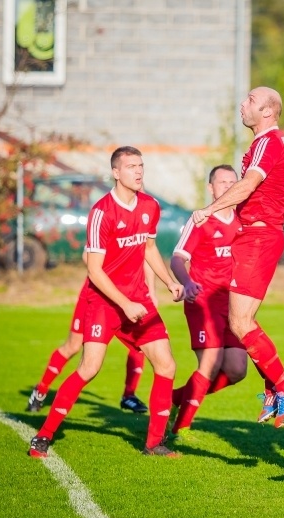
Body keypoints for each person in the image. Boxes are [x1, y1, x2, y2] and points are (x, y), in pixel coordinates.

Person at [28, 146, 184, 458]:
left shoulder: (150, 206)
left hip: (138, 299)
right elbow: (95, 271)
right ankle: (43, 436)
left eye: (141, 165)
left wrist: (169, 281)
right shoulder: (101, 213)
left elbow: (149, 249)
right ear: (116, 172)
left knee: (166, 364)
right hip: (104, 302)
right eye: (130, 167)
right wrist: (124, 304)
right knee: (89, 368)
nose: (138, 172)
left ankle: (154, 443)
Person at [192, 87, 284, 429]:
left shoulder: (269, 142)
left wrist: (211, 209)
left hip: (258, 237)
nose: (243, 104)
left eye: (251, 101)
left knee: (240, 323)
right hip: (258, 235)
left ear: (268, 112)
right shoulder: (274, 144)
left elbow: (249, 185)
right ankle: (273, 388)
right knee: (242, 320)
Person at [168, 165, 248, 437]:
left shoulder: (243, 219)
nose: (227, 186)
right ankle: (180, 428)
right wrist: (187, 282)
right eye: (221, 182)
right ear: (211, 188)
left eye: (232, 182)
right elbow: (177, 258)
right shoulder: (201, 219)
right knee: (211, 363)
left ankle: (175, 399)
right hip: (204, 301)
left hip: (235, 305)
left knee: (237, 370)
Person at [26, 260, 153, 414]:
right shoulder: (103, 235)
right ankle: (41, 390)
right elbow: (88, 257)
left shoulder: (139, 235)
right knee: (73, 346)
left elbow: (146, 254)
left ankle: (129, 395)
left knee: (140, 344)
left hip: (129, 294)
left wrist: (151, 292)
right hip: (94, 296)